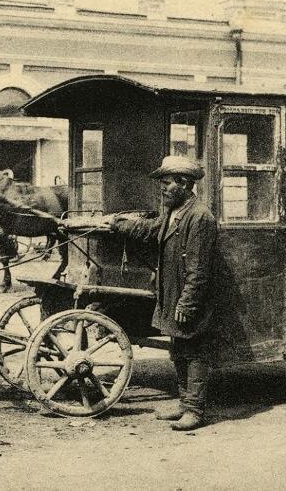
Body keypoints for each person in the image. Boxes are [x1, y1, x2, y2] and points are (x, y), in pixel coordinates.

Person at [110, 155, 220, 431]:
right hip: (173, 292)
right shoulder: (174, 213)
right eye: (162, 183)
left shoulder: (199, 218)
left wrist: (188, 303)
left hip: (189, 297)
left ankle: (195, 410)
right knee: (179, 349)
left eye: (167, 183)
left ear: (184, 184)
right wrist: (120, 223)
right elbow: (151, 230)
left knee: (194, 350)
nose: (162, 188)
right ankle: (184, 403)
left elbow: (199, 269)